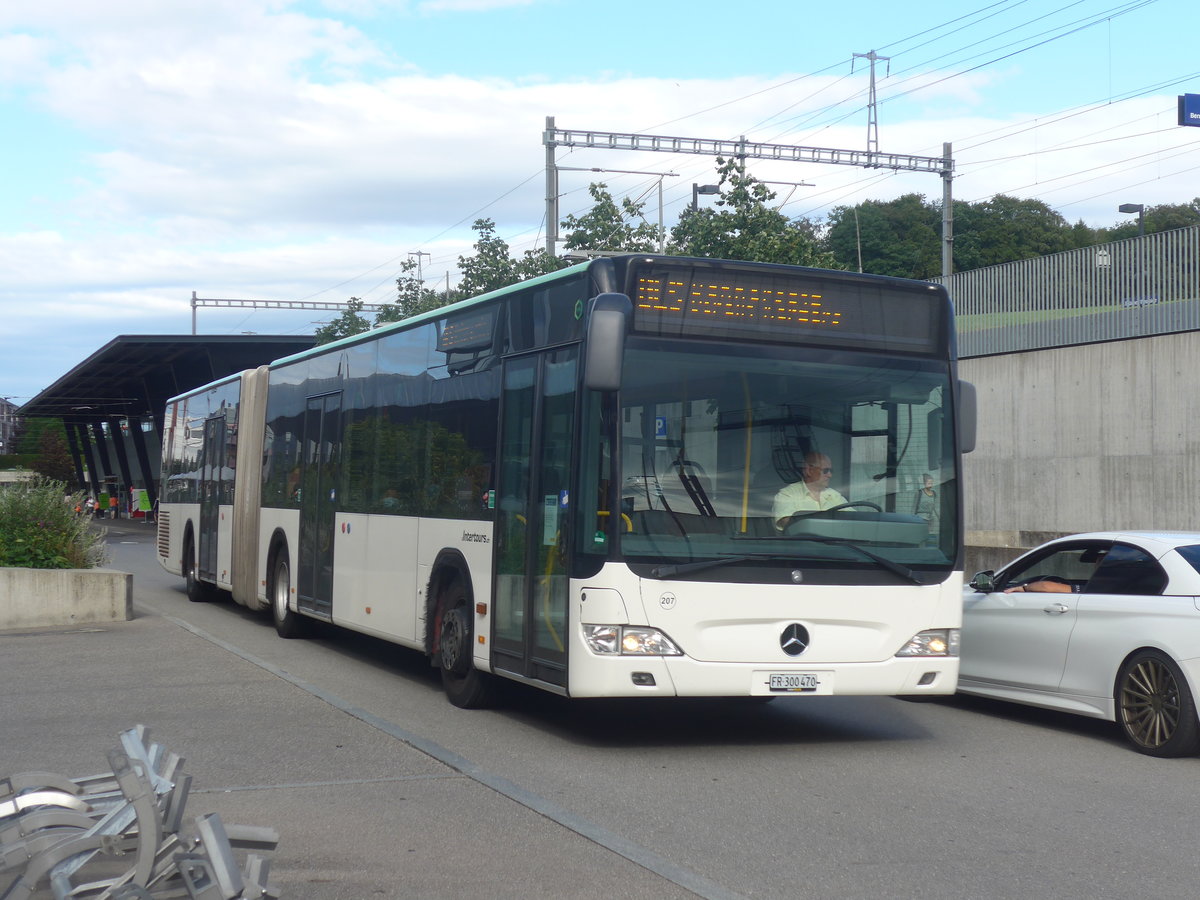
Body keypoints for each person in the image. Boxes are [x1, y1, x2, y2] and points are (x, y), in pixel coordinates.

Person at [772, 452, 848, 530]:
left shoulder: (834, 495)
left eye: (831, 471)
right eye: (825, 471)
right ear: (809, 470)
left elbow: (852, 519)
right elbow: (787, 523)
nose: (830, 475)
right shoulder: (787, 494)